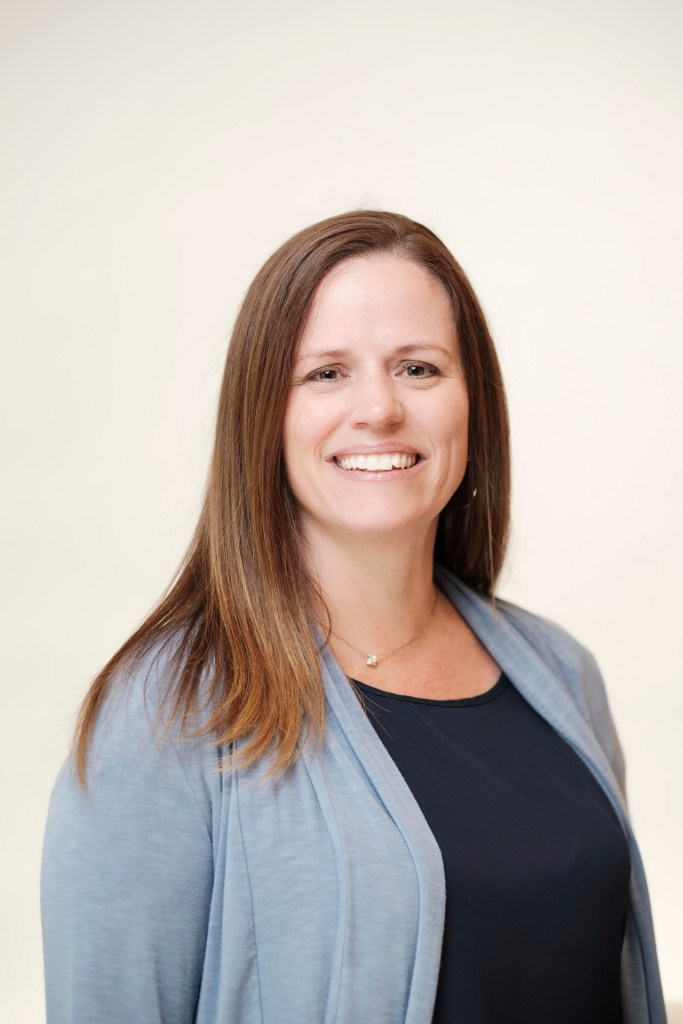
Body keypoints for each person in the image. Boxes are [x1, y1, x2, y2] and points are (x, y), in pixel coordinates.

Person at [41, 210, 666, 1024]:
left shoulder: (558, 671)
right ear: (263, 416)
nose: (378, 409)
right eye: (326, 373)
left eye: (417, 367)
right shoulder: (167, 712)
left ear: (471, 403)